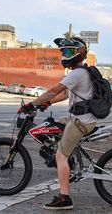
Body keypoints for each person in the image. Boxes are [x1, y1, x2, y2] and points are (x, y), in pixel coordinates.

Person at [18, 37, 97, 210]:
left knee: (60, 155)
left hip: (80, 121)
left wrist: (32, 104)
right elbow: (65, 94)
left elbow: (54, 90)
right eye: (63, 52)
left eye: (67, 52)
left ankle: (64, 198)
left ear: (78, 53)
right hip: (80, 118)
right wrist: (49, 103)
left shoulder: (77, 73)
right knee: (53, 126)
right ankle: (70, 162)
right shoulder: (80, 72)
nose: (64, 55)